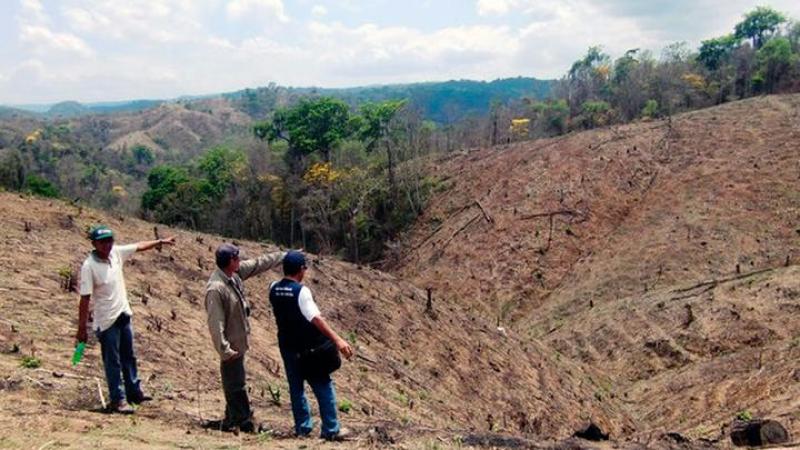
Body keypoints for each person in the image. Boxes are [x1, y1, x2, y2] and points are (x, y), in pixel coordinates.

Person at [76, 225, 176, 414]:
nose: (107, 245)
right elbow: (85, 298)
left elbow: (138, 246)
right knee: (112, 361)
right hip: (106, 321)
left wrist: (160, 242)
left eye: (109, 241)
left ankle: (134, 392)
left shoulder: (116, 254)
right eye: (102, 242)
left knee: (129, 356)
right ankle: (118, 399)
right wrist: (82, 328)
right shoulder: (89, 266)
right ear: (94, 244)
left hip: (123, 313)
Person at [269, 251, 354, 441]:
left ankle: (302, 428)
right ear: (301, 270)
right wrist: (337, 340)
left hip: (287, 347)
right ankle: (331, 429)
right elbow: (315, 318)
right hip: (308, 349)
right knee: (323, 385)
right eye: (304, 268)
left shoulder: (273, 288)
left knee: (296, 388)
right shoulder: (302, 292)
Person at [204, 244, 285, 433]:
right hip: (231, 346)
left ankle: (233, 417)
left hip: (239, 342)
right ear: (230, 262)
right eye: (237, 258)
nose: (240, 261)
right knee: (236, 385)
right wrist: (224, 349)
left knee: (236, 382)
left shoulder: (235, 274)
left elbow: (259, 264)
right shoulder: (216, 289)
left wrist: (283, 256)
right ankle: (242, 421)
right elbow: (215, 323)